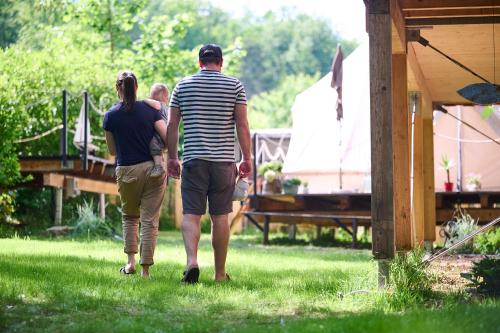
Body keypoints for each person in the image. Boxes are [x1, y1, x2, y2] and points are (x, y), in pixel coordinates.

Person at [167, 44, 252, 283]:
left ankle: (192, 261)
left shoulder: (182, 85)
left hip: (194, 159)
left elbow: (173, 125)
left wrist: (172, 157)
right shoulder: (234, 85)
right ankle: (219, 273)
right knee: (220, 217)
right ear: (221, 62)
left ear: (199, 63)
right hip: (224, 162)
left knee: (192, 214)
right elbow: (242, 125)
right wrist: (247, 158)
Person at [103, 71, 167, 278]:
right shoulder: (150, 111)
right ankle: (145, 271)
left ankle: (130, 263)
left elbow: (112, 150)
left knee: (130, 217)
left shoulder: (110, 116)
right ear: (137, 88)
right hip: (152, 169)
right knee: (149, 220)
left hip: (127, 170)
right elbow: (167, 137)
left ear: (117, 88)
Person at [145, 83, 169, 178]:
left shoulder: (159, 105)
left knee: (153, 143)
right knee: (157, 149)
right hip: (163, 134)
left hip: (159, 135)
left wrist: (143, 100)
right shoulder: (167, 108)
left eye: (152, 95)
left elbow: (154, 103)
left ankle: (158, 166)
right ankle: (159, 159)